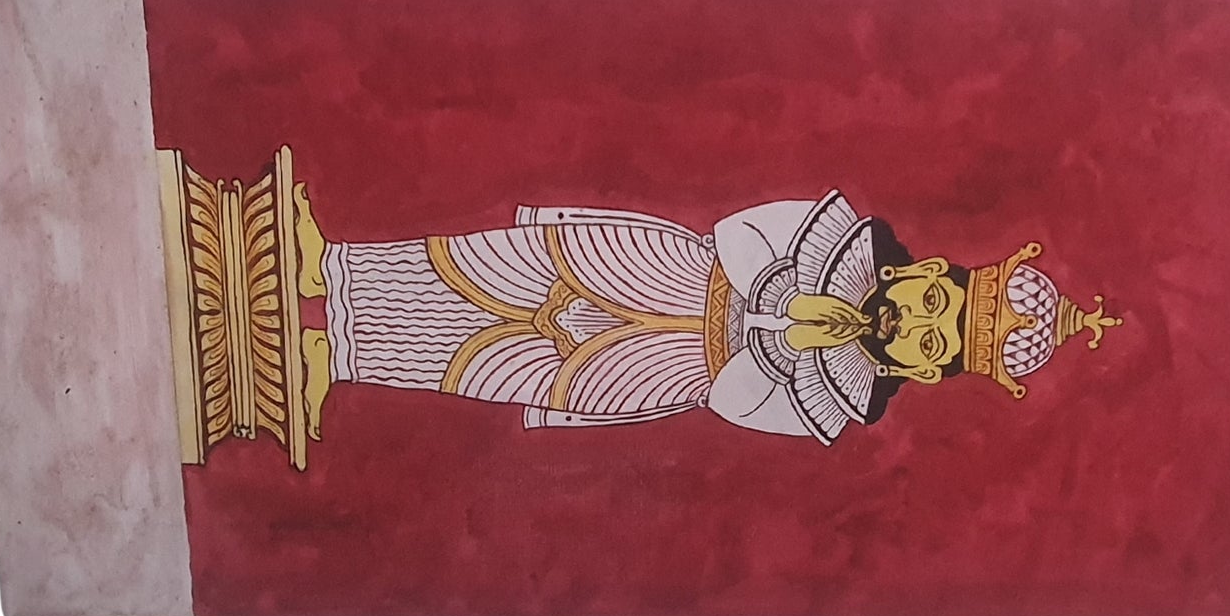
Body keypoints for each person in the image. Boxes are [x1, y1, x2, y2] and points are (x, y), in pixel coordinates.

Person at [311, 191, 999, 444]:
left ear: (923, 370)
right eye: (931, 305)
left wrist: (793, 339)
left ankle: (341, 357)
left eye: (929, 343)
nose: (911, 325)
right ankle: (338, 268)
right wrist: (790, 300)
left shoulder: (834, 403)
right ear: (926, 273)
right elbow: (736, 234)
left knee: (497, 365)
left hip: (664, 370)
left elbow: (734, 403)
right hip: (669, 273)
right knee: (492, 265)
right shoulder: (832, 231)